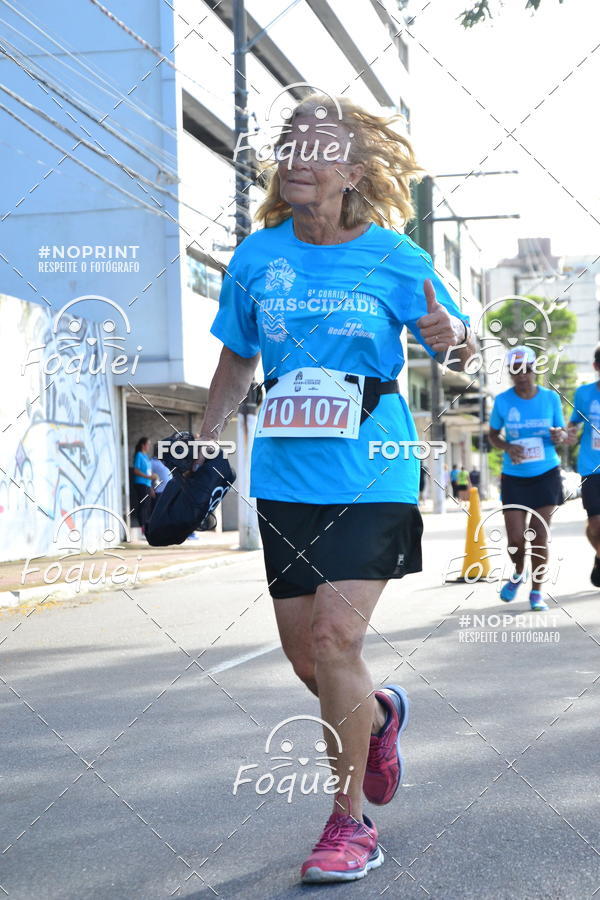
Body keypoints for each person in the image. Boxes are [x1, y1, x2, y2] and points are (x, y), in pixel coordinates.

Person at [200, 94, 475, 883]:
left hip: (375, 464)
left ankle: (348, 824)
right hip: (288, 472)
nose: (299, 158)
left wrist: (453, 338)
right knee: (307, 661)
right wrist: (206, 437)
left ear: (353, 172)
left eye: (319, 147)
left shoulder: (396, 256)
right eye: (291, 144)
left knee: (334, 640)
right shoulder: (257, 257)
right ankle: (379, 714)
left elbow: (462, 352)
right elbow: (237, 356)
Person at [488, 346, 567, 611]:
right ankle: (518, 572)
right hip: (514, 476)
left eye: (526, 369)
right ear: (510, 373)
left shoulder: (550, 398)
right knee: (515, 539)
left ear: (534, 370)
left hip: (546, 474)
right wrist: (507, 446)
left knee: (539, 535)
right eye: (515, 370)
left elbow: (561, 432)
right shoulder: (503, 401)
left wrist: (559, 435)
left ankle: (536, 592)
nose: (521, 375)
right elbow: (492, 435)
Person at [567, 344, 600, 586]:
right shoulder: (584, 393)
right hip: (591, 467)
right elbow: (573, 424)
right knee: (596, 525)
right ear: (596, 366)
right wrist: (568, 434)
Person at [132, 437, 157, 536]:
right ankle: (142, 527)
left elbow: (148, 472)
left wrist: (151, 487)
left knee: (147, 505)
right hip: (140, 483)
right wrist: (148, 477)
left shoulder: (146, 456)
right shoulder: (139, 455)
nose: (149, 446)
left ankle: (146, 526)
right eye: (148, 444)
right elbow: (136, 471)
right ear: (143, 445)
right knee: (143, 505)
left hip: (147, 484)